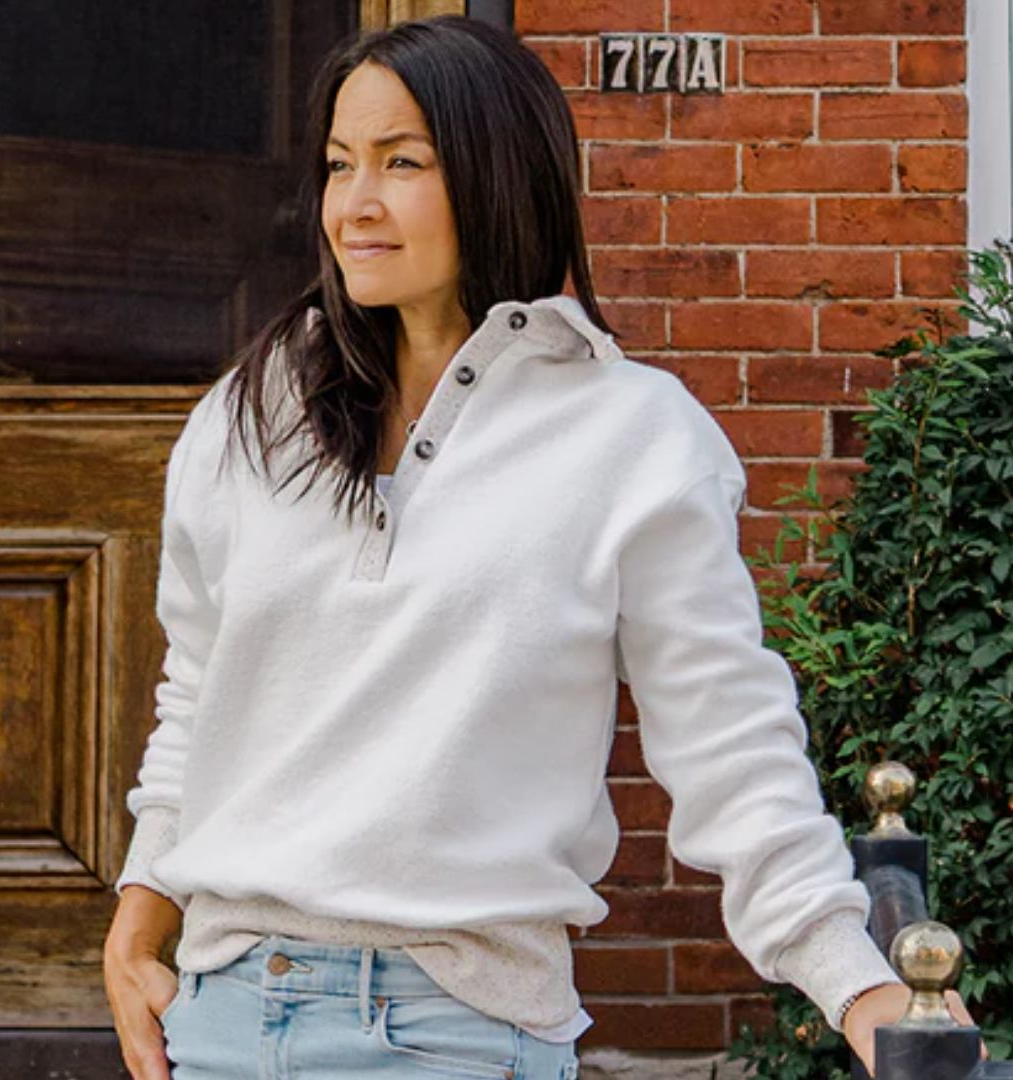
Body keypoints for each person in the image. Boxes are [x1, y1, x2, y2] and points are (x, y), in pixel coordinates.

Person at [103, 15, 976, 1080]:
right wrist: (138, 918)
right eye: (339, 165)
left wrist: (861, 982)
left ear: (495, 174)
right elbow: (200, 691)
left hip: (451, 1032)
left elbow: (731, 749)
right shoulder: (256, 410)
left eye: (401, 163)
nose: (354, 204)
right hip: (223, 1019)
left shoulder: (633, 437)